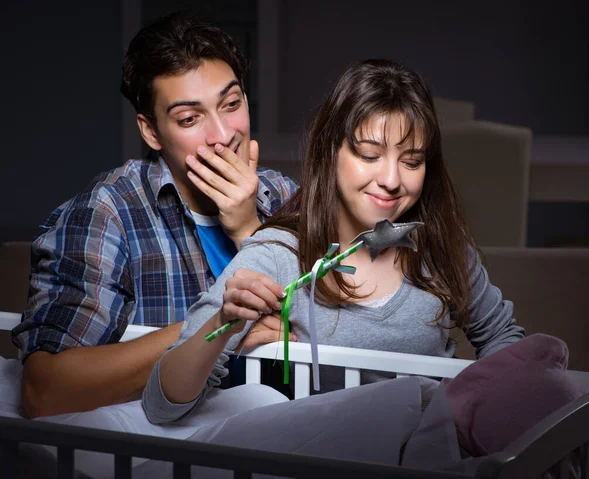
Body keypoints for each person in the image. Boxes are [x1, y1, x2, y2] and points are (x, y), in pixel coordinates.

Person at [142, 58, 525, 423]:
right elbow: (162, 404)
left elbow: (503, 336)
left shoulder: (441, 247)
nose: (392, 179)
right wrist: (225, 321)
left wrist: (476, 413)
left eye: (411, 162)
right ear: (330, 151)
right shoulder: (278, 255)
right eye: (369, 155)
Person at [12, 11, 297, 419]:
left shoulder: (285, 195)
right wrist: (215, 327)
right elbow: (45, 391)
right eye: (189, 118)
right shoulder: (110, 212)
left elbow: (340, 330)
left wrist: (248, 228)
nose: (222, 134)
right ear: (151, 131)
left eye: (231, 104)